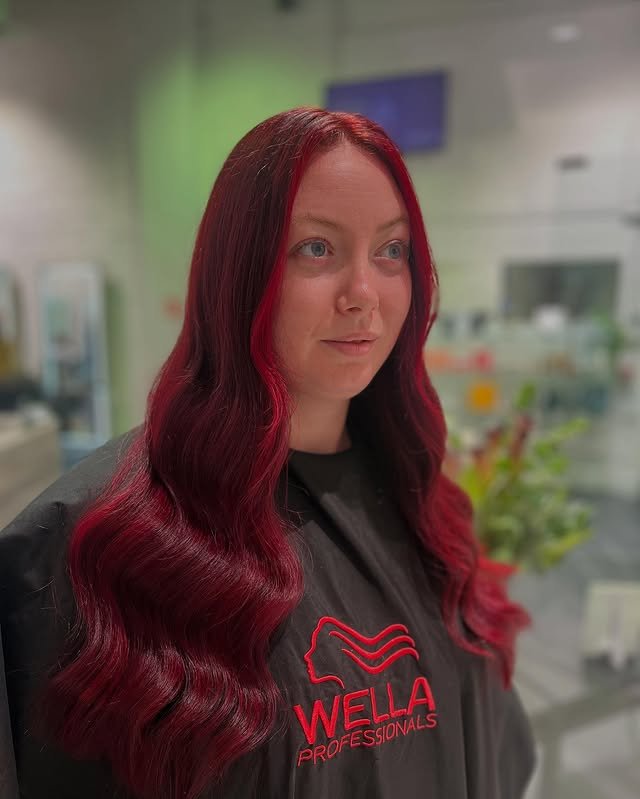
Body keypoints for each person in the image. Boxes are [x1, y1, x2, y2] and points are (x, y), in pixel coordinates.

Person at [0, 107, 535, 799]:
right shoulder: (99, 540)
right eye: (316, 248)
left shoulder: (423, 505)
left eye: (391, 250)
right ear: (239, 275)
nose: (363, 294)